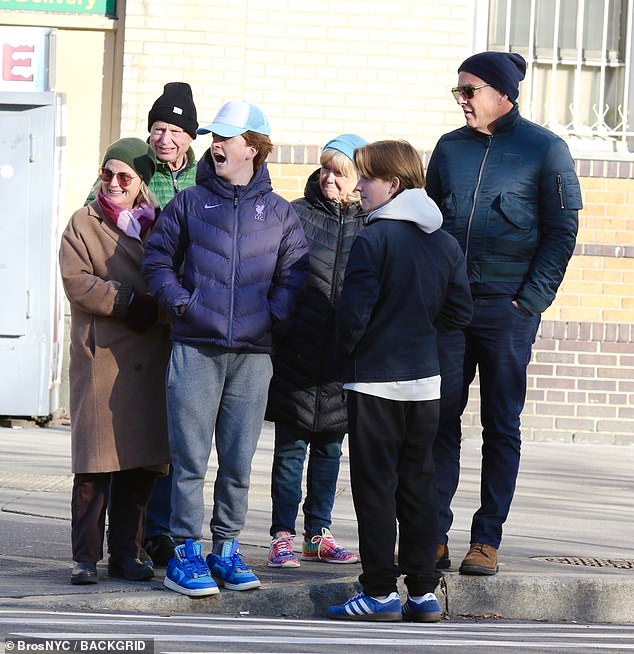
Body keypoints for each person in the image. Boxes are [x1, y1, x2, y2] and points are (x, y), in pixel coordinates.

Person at [143, 100, 309, 597]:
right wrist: (180, 303)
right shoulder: (190, 204)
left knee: (238, 460)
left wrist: (272, 316)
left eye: (227, 138)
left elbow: (295, 275)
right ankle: (186, 553)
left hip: (254, 355)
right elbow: (156, 263)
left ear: (253, 147)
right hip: (195, 346)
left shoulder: (280, 213)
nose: (215, 145)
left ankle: (227, 549)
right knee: (188, 458)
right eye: (214, 137)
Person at [426, 51, 581, 576]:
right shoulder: (449, 149)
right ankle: (433, 536)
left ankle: (486, 540)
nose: (461, 101)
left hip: (506, 308)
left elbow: (561, 234)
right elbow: (429, 223)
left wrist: (530, 301)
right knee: (438, 419)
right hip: (451, 307)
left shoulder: (545, 150)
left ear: (502, 94)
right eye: (458, 92)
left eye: (469, 91)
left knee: (500, 422)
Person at [327, 141, 473, 622]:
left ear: (393, 183)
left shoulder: (374, 239)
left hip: (374, 382)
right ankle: (423, 593)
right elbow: (460, 312)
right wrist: (418, 332)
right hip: (424, 381)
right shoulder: (444, 240)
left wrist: (342, 355)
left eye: (367, 177)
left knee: (375, 488)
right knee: (418, 485)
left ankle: (379, 592)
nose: (360, 186)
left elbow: (353, 315)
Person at [59, 138, 171, 585]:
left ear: (141, 182)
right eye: (107, 173)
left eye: (124, 176)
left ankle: (127, 554)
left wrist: (160, 306)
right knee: (94, 465)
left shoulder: (161, 225)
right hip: (101, 356)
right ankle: (84, 557)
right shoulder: (82, 223)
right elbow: (76, 281)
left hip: (147, 357)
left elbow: (175, 274)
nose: (113, 183)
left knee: (139, 465)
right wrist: (126, 300)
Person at [264, 134, 367, 568]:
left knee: (329, 449)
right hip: (297, 354)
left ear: (359, 179)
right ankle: (282, 535)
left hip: (344, 361)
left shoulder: (373, 225)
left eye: (338, 173)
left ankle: (318, 533)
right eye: (325, 169)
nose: (328, 178)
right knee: (290, 449)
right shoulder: (296, 215)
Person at [142, 81, 199, 567]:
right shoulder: (130, 174)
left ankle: (168, 530)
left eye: (176, 129)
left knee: (181, 430)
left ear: (190, 136)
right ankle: (145, 530)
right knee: (147, 426)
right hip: (144, 317)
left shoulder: (208, 179)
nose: (166, 138)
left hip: (190, 319)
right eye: (158, 128)